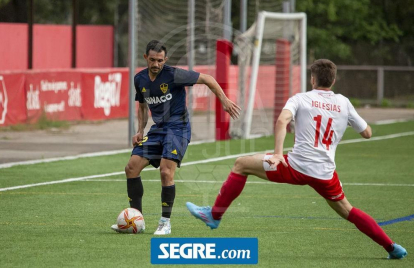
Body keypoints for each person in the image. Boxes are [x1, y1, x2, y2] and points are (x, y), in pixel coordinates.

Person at [187, 59, 407, 259]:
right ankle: (391, 247)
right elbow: (367, 133)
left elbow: (282, 121)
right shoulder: (344, 103)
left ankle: (215, 216)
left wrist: (277, 153)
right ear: (333, 80)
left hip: (295, 166)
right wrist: (350, 120)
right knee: (348, 210)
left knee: (241, 164)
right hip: (325, 174)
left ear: (312, 79)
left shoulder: (301, 98)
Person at [111, 40, 241, 235]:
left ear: (166, 59)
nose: (156, 64)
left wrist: (224, 100)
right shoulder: (140, 80)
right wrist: (140, 131)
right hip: (158, 130)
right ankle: (136, 219)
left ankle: (165, 223)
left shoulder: (174, 75)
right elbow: (143, 106)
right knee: (131, 167)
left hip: (178, 128)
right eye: (152, 60)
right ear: (146, 58)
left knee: (165, 171)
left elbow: (208, 79)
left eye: (160, 60)